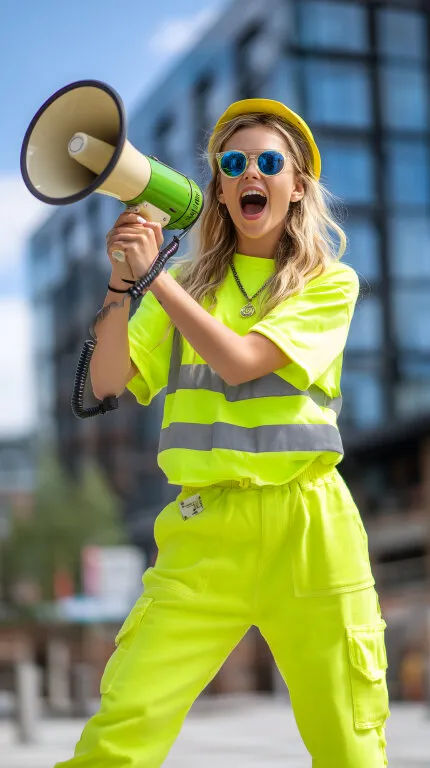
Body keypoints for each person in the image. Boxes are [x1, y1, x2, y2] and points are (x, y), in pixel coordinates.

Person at [56, 99, 390, 767]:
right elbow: (109, 382)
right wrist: (123, 286)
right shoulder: (181, 284)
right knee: (122, 731)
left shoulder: (328, 283)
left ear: (297, 185)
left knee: (349, 744)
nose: (248, 175)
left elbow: (240, 363)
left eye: (269, 163)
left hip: (311, 533)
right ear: (218, 189)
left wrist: (158, 282)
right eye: (232, 165)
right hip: (203, 533)